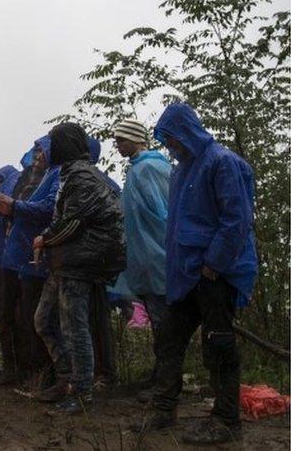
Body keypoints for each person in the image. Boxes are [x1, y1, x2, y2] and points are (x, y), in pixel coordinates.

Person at [132, 104, 257, 445]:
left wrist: (214, 264)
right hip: (187, 274)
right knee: (169, 338)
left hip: (216, 273)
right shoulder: (181, 169)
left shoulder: (222, 162)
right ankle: (164, 408)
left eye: (172, 137)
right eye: (166, 139)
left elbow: (237, 220)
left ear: (187, 131)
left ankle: (226, 420)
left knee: (218, 344)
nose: (170, 144)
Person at [32, 123, 124, 415]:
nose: (48, 149)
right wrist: (48, 238)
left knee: (75, 329)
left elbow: (72, 224)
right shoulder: (70, 174)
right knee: (44, 320)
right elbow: (66, 217)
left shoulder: (82, 176)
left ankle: (82, 393)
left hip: (80, 263)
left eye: (53, 143)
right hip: (66, 261)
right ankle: (67, 378)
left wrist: (45, 238)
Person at [0, 137, 59, 389]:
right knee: (5, 314)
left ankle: (36, 371)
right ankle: (12, 368)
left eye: (43, 151)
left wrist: (15, 206)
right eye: (37, 150)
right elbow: (3, 207)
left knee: (30, 316)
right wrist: (1, 207)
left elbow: (47, 210)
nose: (38, 155)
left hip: (33, 258)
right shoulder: (20, 178)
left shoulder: (54, 177)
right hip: (8, 255)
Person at [111, 118, 171, 399]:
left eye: (122, 139)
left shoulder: (147, 168)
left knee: (164, 322)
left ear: (136, 139)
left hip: (156, 255)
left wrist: (157, 249)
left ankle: (166, 384)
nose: (118, 145)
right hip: (145, 256)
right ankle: (160, 378)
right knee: (159, 321)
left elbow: (161, 214)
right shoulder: (140, 168)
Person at [87, 136, 121, 389]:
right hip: (90, 259)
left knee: (97, 319)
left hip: (96, 261)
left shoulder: (97, 182)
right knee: (87, 319)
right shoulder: (99, 181)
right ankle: (95, 372)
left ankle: (104, 373)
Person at [0, 164, 21, 384]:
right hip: (2, 269)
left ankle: (19, 368)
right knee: (4, 319)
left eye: (2, 181)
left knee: (15, 319)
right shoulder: (2, 220)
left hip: (15, 271)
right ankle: (10, 366)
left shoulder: (18, 209)